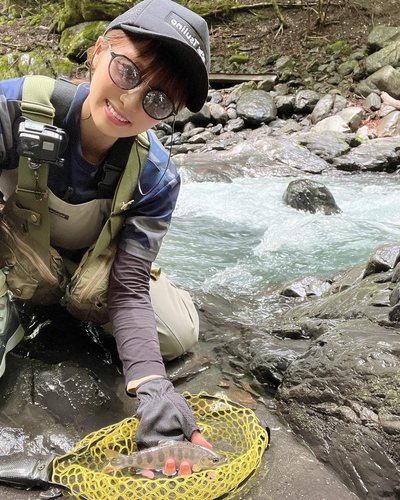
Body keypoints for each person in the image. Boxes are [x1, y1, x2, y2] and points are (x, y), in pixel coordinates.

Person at [0, 0, 211, 473]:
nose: (132, 103)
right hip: (12, 251)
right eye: (128, 72)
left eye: (159, 100)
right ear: (97, 52)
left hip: (95, 272)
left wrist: (154, 387)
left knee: (179, 335)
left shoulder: (157, 176)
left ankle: (70, 301)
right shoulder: (10, 108)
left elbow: (131, 283)